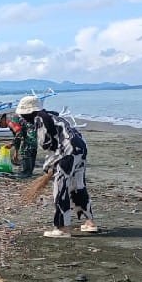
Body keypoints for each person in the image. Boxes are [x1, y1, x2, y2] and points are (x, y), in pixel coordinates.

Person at [16, 95, 98, 238]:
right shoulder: (54, 116)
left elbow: (47, 144)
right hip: (81, 150)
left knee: (60, 189)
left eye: (23, 115)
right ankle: (90, 222)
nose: (23, 117)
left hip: (67, 153)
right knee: (78, 186)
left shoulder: (40, 119)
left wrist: (49, 165)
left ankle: (62, 228)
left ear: (29, 112)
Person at [0, 112, 37, 178]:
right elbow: (18, 138)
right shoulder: (12, 119)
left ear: (2, 119)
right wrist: (16, 153)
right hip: (35, 128)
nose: (1, 126)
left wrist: (11, 144)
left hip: (31, 129)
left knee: (26, 150)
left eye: (0, 124)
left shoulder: (10, 120)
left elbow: (19, 133)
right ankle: (29, 172)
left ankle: (26, 172)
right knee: (31, 148)